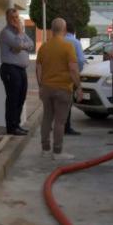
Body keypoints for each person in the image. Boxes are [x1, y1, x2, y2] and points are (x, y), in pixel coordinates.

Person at [35, 18, 81, 161]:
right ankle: (57, 151)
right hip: (62, 89)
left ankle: (45, 149)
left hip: (46, 88)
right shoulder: (68, 47)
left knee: (47, 119)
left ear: (52, 29)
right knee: (60, 122)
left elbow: (38, 69)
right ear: (65, 29)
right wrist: (78, 87)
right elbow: (73, 69)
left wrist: (40, 86)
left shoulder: (44, 47)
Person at [0, 7, 35, 135]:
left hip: (21, 70)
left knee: (21, 98)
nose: (16, 20)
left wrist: (19, 46)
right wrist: (19, 43)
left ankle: (17, 125)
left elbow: (31, 45)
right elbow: (19, 45)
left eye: (17, 17)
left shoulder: (20, 33)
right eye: (13, 17)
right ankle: (11, 127)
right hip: (10, 70)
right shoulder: (6, 33)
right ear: (7, 19)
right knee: (13, 99)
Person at [63, 21, 86, 136]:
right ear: (74, 31)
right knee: (67, 103)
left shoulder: (57, 41)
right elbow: (81, 60)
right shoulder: (76, 42)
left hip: (56, 77)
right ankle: (66, 127)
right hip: (70, 77)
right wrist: (78, 71)